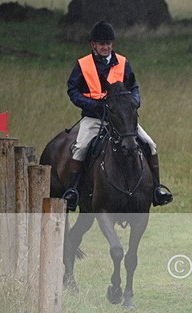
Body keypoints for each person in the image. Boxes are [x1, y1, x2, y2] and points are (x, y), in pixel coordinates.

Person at [63, 20, 173, 212]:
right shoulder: (83, 64)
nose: (105, 47)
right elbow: (73, 90)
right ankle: (73, 191)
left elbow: (134, 87)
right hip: (94, 118)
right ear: (93, 45)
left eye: (108, 43)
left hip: (122, 119)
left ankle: (156, 189)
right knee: (80, 147)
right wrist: (94, 105)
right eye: (101, 43)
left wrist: (133, 102)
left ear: (112, 44)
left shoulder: (123, 63)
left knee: (150, 144)